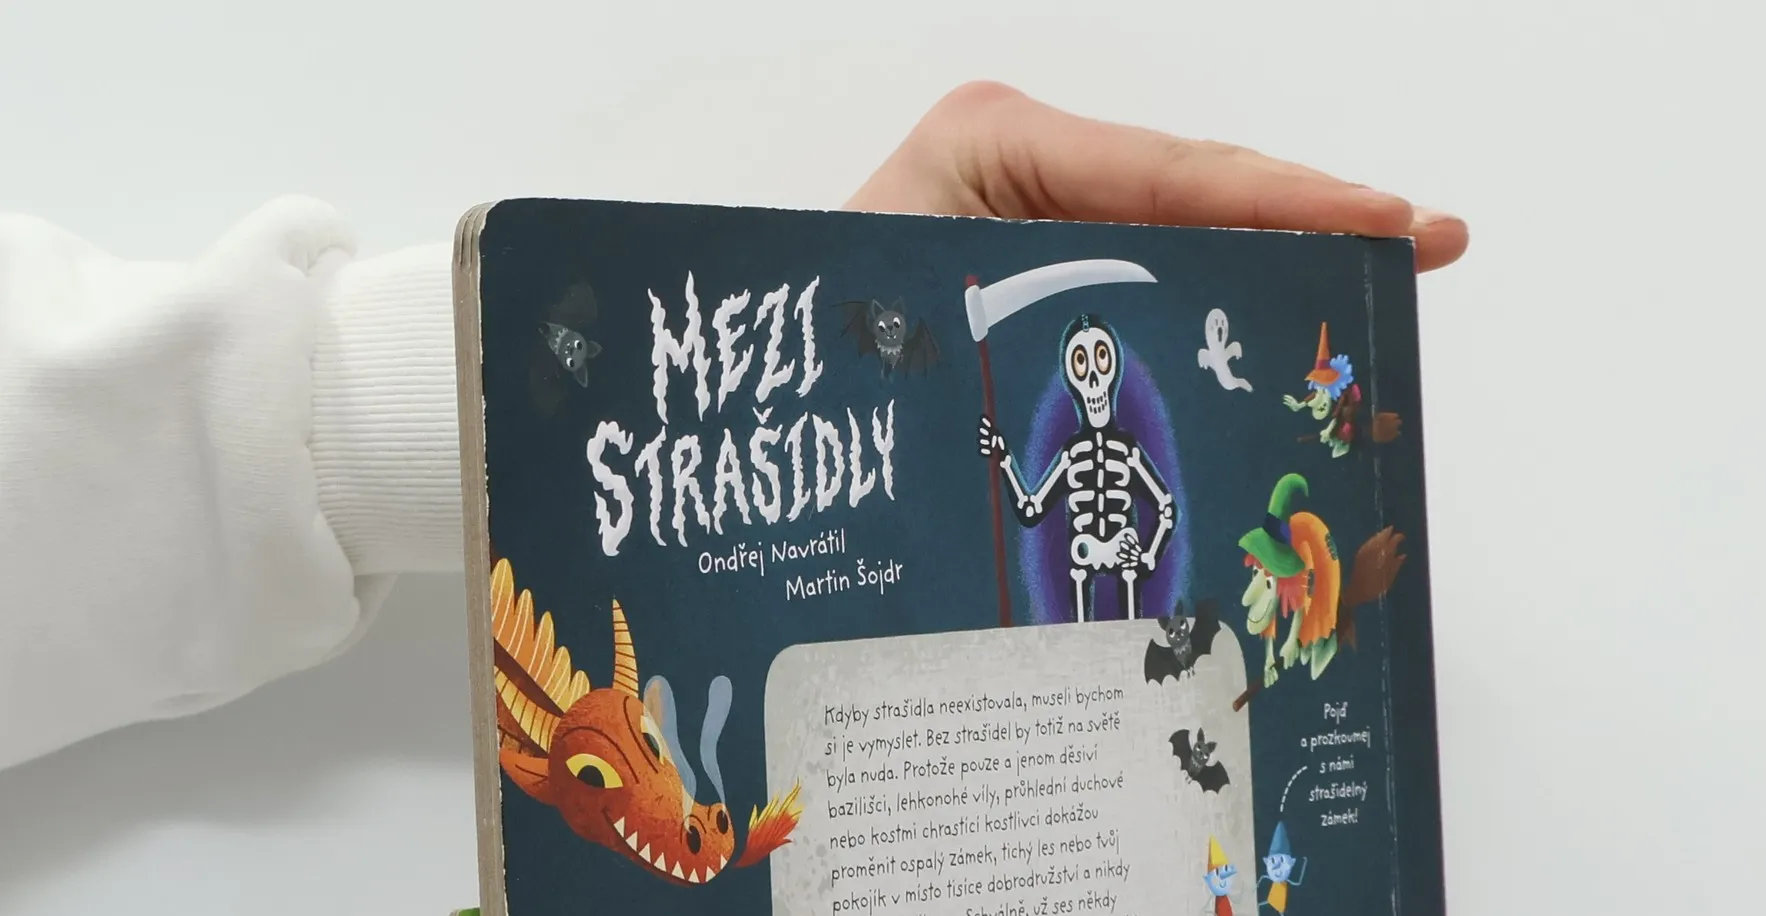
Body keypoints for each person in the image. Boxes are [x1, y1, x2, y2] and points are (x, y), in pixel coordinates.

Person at [0, 82, 1466, 773]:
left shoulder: (1116, 453)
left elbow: (1141, 508)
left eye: (1095, 369)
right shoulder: (1069, 444)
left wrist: (817, 342)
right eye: (1078, 367)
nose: (1088, 382)